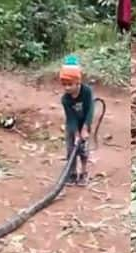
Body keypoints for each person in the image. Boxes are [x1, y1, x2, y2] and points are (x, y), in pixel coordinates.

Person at [60, 55, 95, 186]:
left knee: (83, 150)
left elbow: (90, 110)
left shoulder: (87, 92)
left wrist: (85, 128)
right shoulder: (65, 99)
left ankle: (84, 173)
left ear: (78, 82)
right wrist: (75, 134)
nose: (67, 88)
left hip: (85, 123)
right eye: (64, 84)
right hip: (72, 126)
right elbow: (71, 118)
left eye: (70, 84)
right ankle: (72, 173)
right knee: (71, 149)